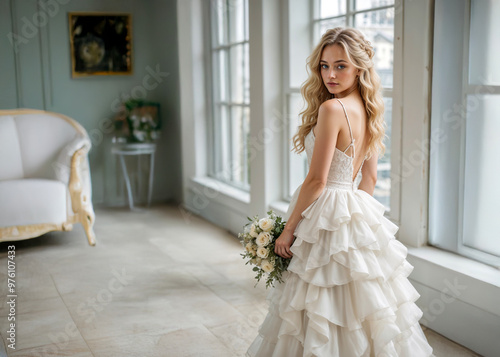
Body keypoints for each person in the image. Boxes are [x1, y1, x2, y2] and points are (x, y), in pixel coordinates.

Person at [246, 27, 435, 357]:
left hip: (325, 206)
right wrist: (358, 226)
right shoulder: (369, 108)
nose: (330, 74)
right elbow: (370, 179)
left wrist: (289, 230)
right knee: (364, 308)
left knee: (318, 303)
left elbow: (317, 181)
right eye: (324, 65)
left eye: (341, 66)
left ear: (359, 67)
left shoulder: (332, 110)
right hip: (351, 205)